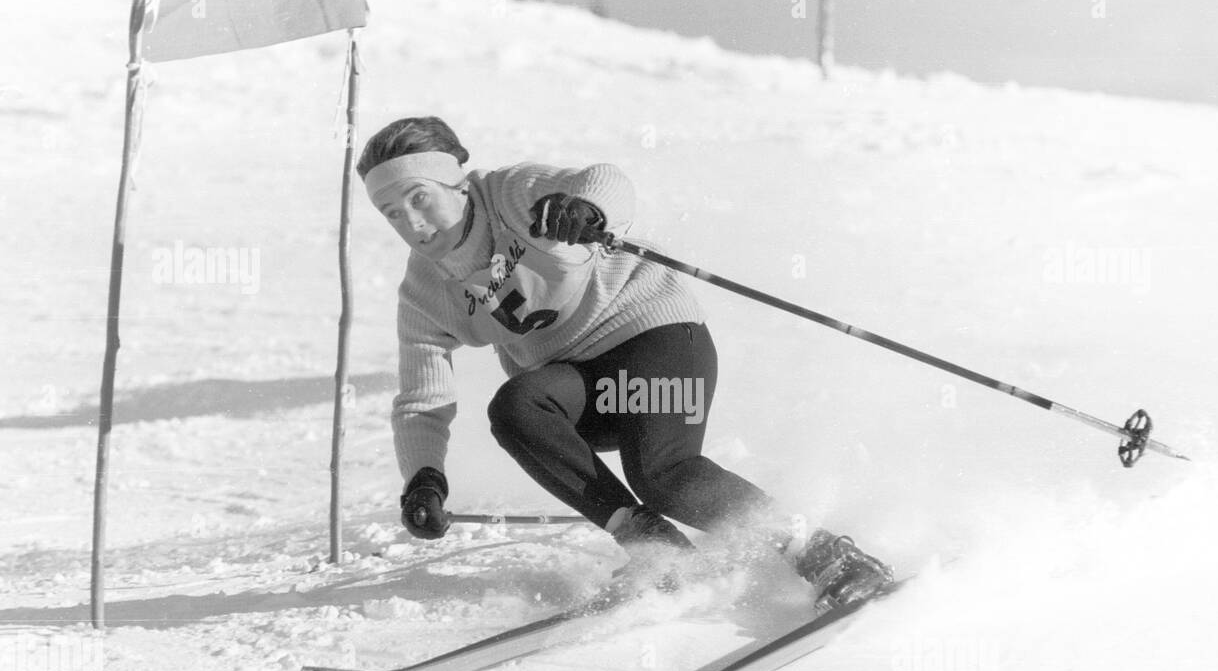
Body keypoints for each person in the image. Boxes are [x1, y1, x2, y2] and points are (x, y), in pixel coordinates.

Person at [357, 116, 892, 610]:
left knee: (664, 475)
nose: (413, 222)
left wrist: (587, 211)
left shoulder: (510, 194)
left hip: (655, 341)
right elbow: (422, 399)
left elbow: (606, 180)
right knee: (517, 407)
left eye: (419, 198)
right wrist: (423, 479)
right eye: (392, 213)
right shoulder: (425, 290)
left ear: (457, 181)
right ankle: (657, 547)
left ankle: (826, 554)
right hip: (589, 393)